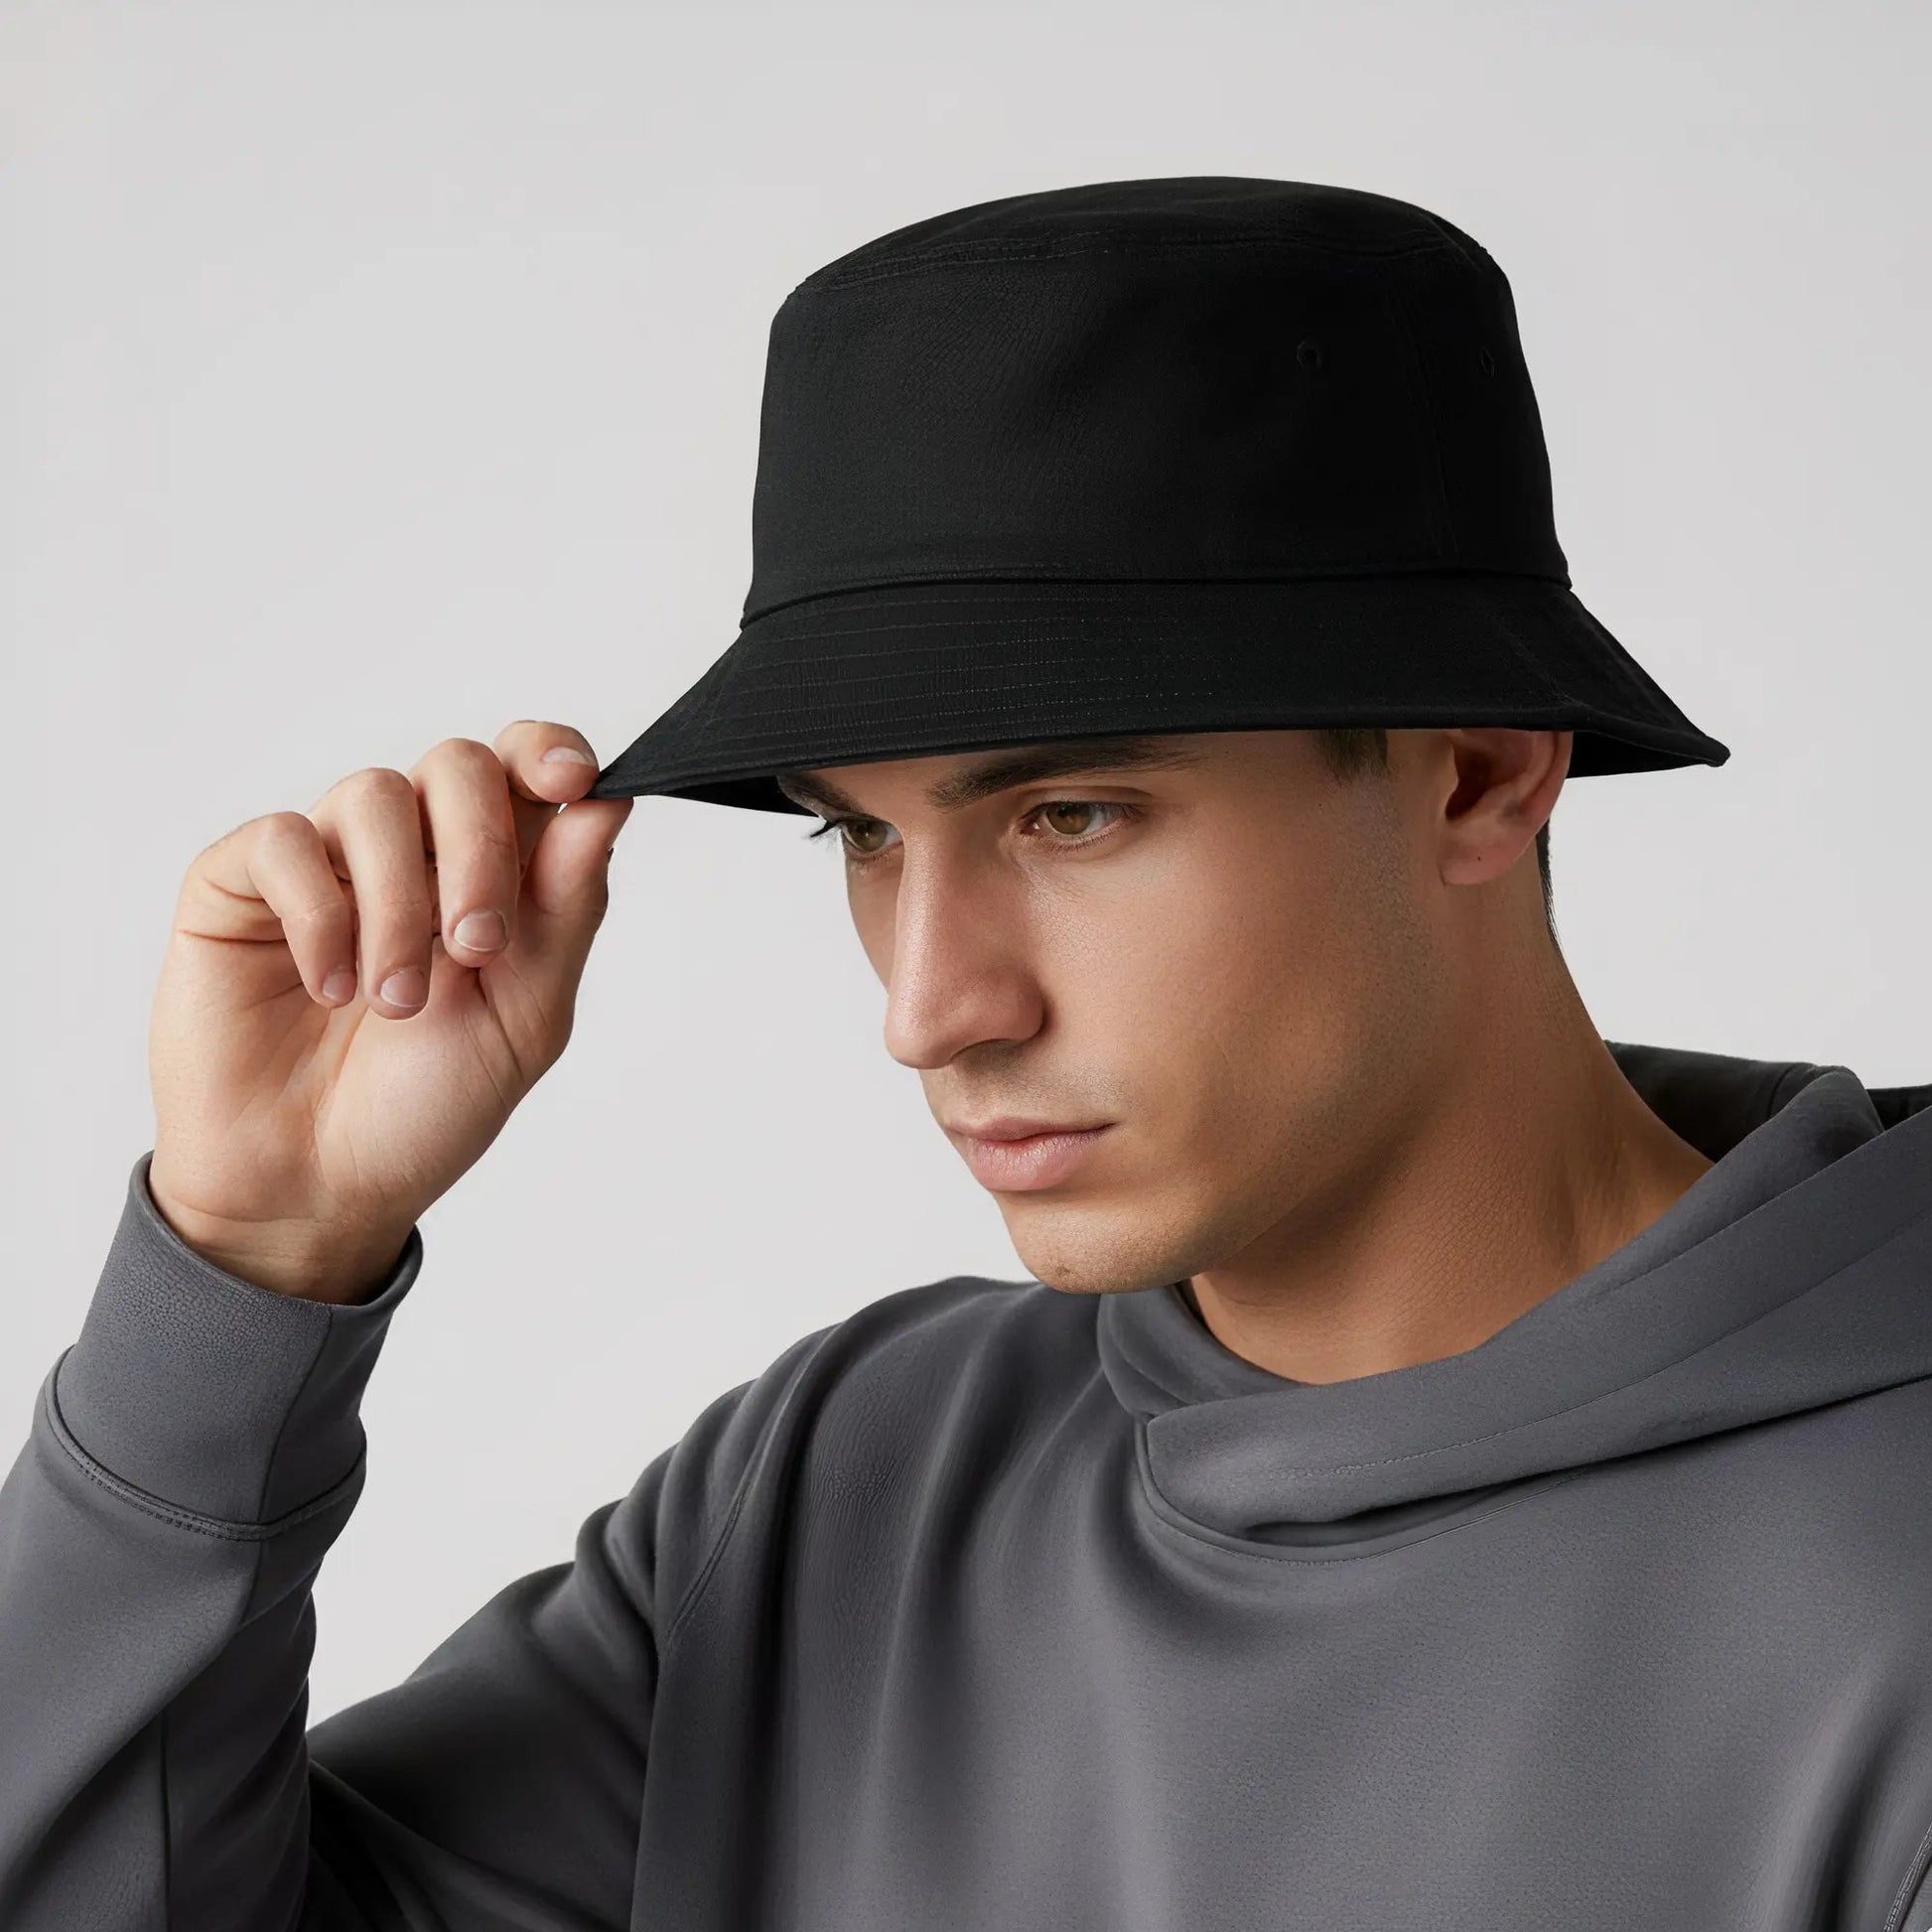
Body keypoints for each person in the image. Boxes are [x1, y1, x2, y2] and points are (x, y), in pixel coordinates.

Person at [3, 177, 1929, 1932]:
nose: (929, 1005)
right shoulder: (853, 1479)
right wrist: (245, 1264)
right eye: (860, 832)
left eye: (1070, 813)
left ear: (1481, 768)